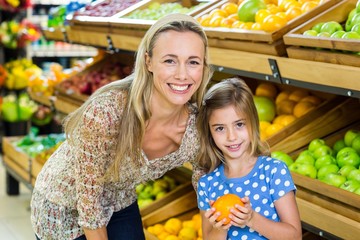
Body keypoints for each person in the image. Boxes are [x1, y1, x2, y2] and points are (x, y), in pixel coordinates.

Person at [31, 13, 213, 240]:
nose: (182, 74)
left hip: (119, 198)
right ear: (148, 62)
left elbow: (208, 188)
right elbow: (89, 205)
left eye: (193, 62)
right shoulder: (108, 112)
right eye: (170, 60)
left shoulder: (196, 128)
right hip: (63, 204)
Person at [196, 78, 302, 240]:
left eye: (239, 124)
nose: (231, 137)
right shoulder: (207, 184)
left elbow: (294, 236)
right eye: (220, 128)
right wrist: (220, 228)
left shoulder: (273, 171)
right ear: (209, 132)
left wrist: (252, 219)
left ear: (253, 123)